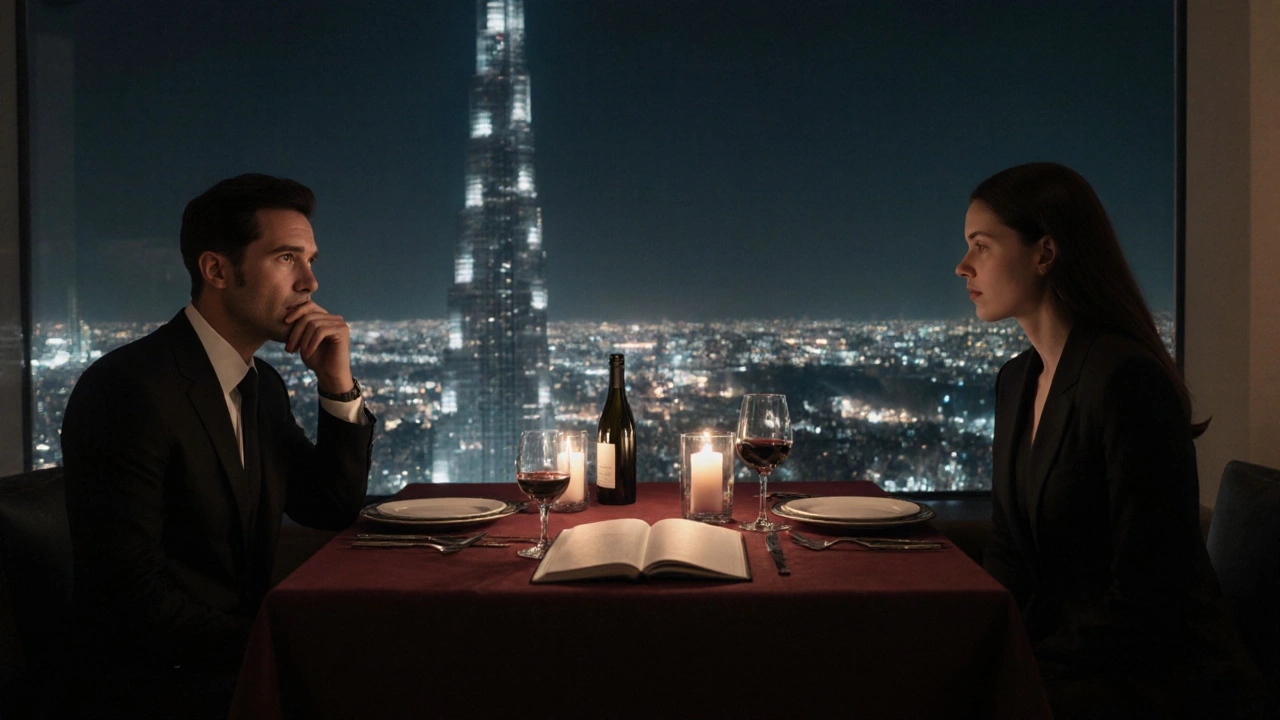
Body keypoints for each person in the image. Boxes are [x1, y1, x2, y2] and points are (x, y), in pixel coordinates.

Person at [956, 162, 1266, 719]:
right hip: (1069, 660)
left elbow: (1150, 595)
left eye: (981, 246)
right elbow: (1008, 549)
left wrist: (1024, 661)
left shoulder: (1126, 379)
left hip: (1152, 679)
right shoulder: (1016, 381)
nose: (962, 267)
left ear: (1045, 253)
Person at [61, 174, 376, 718]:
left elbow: (329, 504)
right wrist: (277, 641)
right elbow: (131, 598)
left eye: (311, 260)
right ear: (217, 271)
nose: (310, 282)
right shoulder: (131, 389)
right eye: (286, 258)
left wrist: (337, 385)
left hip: (231, 666)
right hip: (160, 688)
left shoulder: (263, 387)